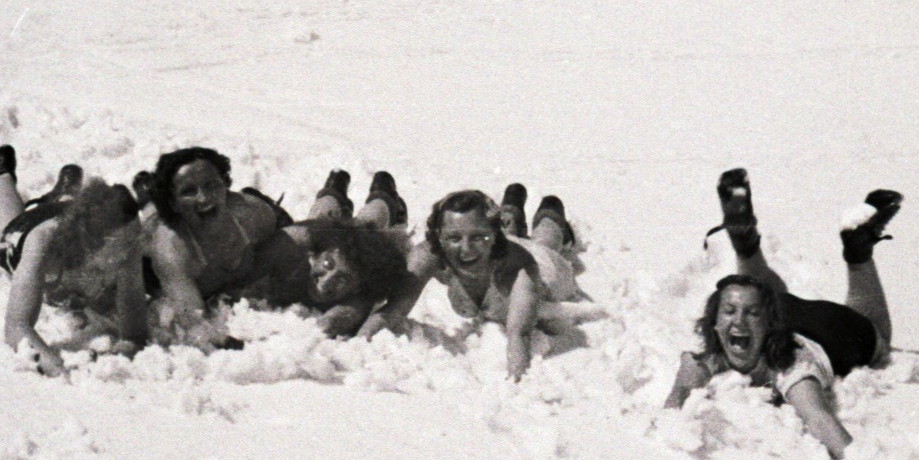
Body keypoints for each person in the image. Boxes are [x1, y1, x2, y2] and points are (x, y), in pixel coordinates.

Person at [663, 168, 903, 460]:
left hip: (840, 331)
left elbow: (818, 418)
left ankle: (858, 253)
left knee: (877, 334)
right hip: (785, 311)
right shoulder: (719, 350)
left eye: (748, 315)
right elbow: (684, 389)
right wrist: (683, 382)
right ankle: (747, 245)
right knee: (757, 294)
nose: (737, 322)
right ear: (713, 323)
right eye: (728, 312)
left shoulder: (793, 367)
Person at [360, 189, 602, 379]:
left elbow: (519, 334)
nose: (465, 250)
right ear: (439, 237)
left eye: (478, 237)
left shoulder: (521, 269)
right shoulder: (430, 254)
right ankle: (511, 211)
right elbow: (395, 309)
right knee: (497, 238)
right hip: (501, 245)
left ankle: (551, 214)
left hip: (547, 270)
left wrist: (516, 385)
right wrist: (356, 347)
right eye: (454, 238)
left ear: (495, 236)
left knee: (545, 242)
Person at [0, 144, 146, 377]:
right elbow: (16, 327)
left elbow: (134, 333)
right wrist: (55, 366)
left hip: (75, 214)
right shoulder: (42, 244)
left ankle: (68, 190)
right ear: (93, 243)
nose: (130, 253)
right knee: (5, 232)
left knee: (78, 210)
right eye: (122, 246)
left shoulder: (126, 246)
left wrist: (121, 352)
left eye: (133, 241)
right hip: (31, 226)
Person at [142, 146, 288, 349]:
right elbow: (194, 322)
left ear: (225, 186)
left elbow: (290, 241)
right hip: (151, 261)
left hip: (253, 209)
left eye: (211, 185)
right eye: (189, 191)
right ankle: (146, 196)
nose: (204, 198)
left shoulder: (254, 214)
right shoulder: (171, 248)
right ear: (173, 204)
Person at [233, 170, 412, 336]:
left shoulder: (360, 295)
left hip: (365, 245)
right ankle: (335, 187)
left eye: (343, 279)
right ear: (315, 255)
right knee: (322, 214)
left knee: (372, 223)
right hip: (325, 235)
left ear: (357, 286)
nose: (326, 281)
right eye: (327, 266)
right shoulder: (299, 251)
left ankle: (384, 195)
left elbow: (331, 323)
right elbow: (252, 271)